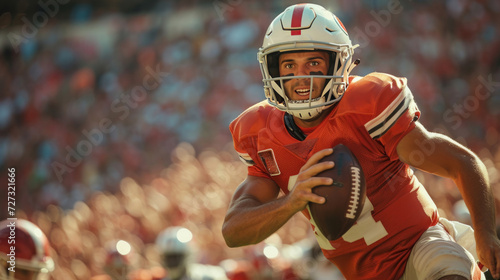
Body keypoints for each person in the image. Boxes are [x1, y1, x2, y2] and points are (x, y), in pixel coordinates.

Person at [221, 3, 500, 280]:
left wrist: (486, 233)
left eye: (314, 63)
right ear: (272, 69)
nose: (300, 76)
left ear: (339, 63)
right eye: (289, 65)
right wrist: (292, 201)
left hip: (419, 246)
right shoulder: (260, 134)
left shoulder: (367, 106)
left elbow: (462, 163)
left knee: (446, 269)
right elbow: (233, 231)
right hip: (357, 274)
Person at [155, 226, 228, 280]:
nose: (172, 262)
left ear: (188, 255)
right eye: (168, 258)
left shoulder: (210, 276)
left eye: (175, 257)